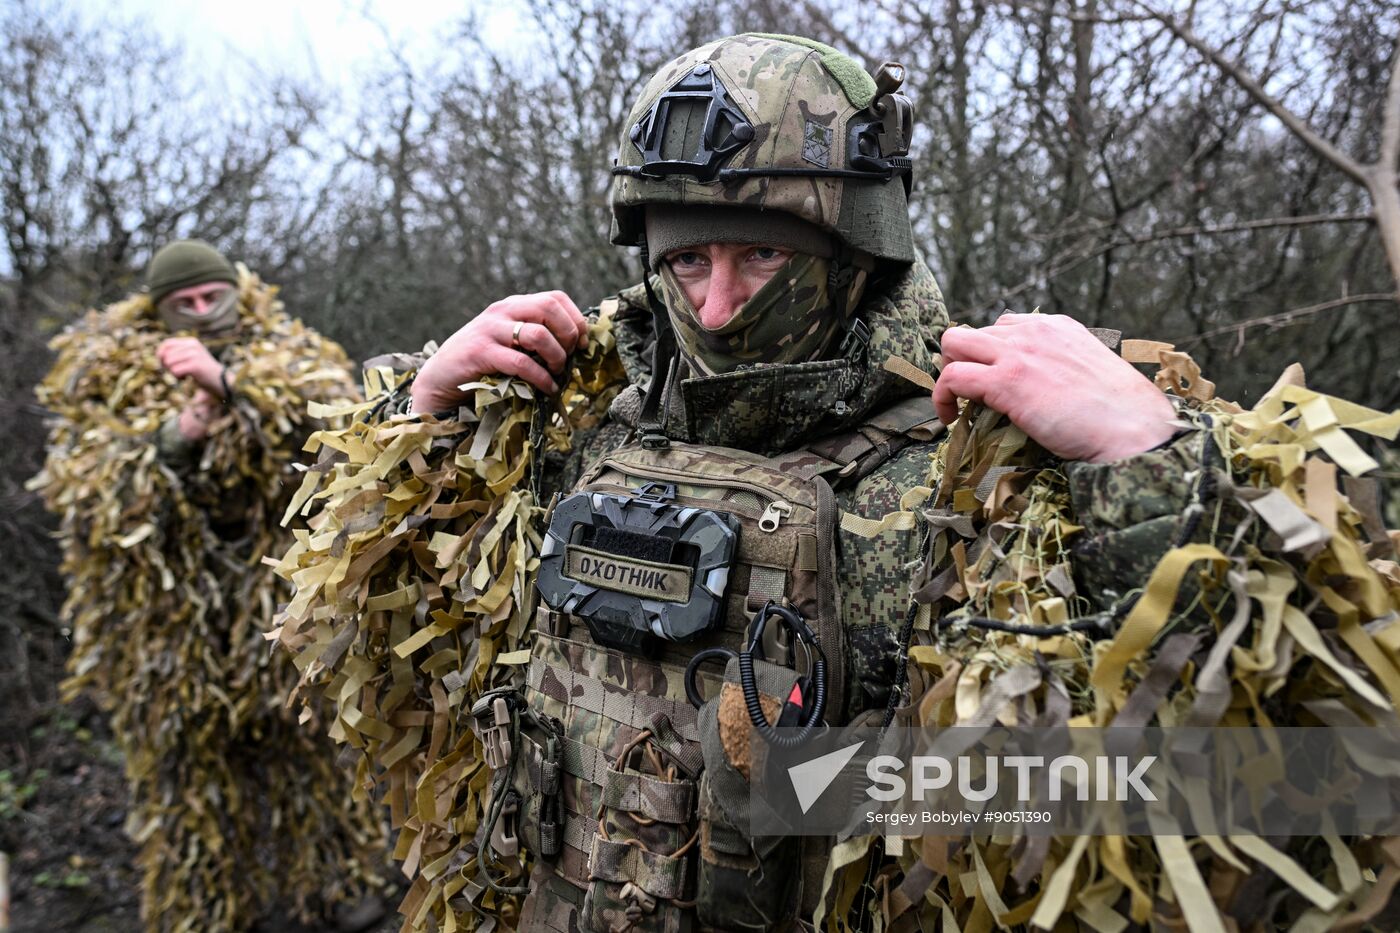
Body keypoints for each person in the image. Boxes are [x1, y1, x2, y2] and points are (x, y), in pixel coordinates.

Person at [280, 34, 1398, 932]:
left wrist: (1147, 464)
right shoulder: (574, 418)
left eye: (762, 256)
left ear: (858, 252)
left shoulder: (977, 460)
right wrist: (421, 420)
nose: (718, 307)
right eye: (686, 259)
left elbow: (1286, 785)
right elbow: (366, 665)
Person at [32, 241, 385, 932]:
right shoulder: (104, 368)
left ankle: (339, 890)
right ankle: (205, 913)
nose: (199, 311)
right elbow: (86, 491)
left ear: (235, 290)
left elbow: (342, 438)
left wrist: (229, 386)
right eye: (182, 302)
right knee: (186, 782)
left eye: (210, 296)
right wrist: (180, 432)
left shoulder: (293, 351)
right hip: (165, 630)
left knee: (311, 761)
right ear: (157, 308)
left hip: (282, 608)